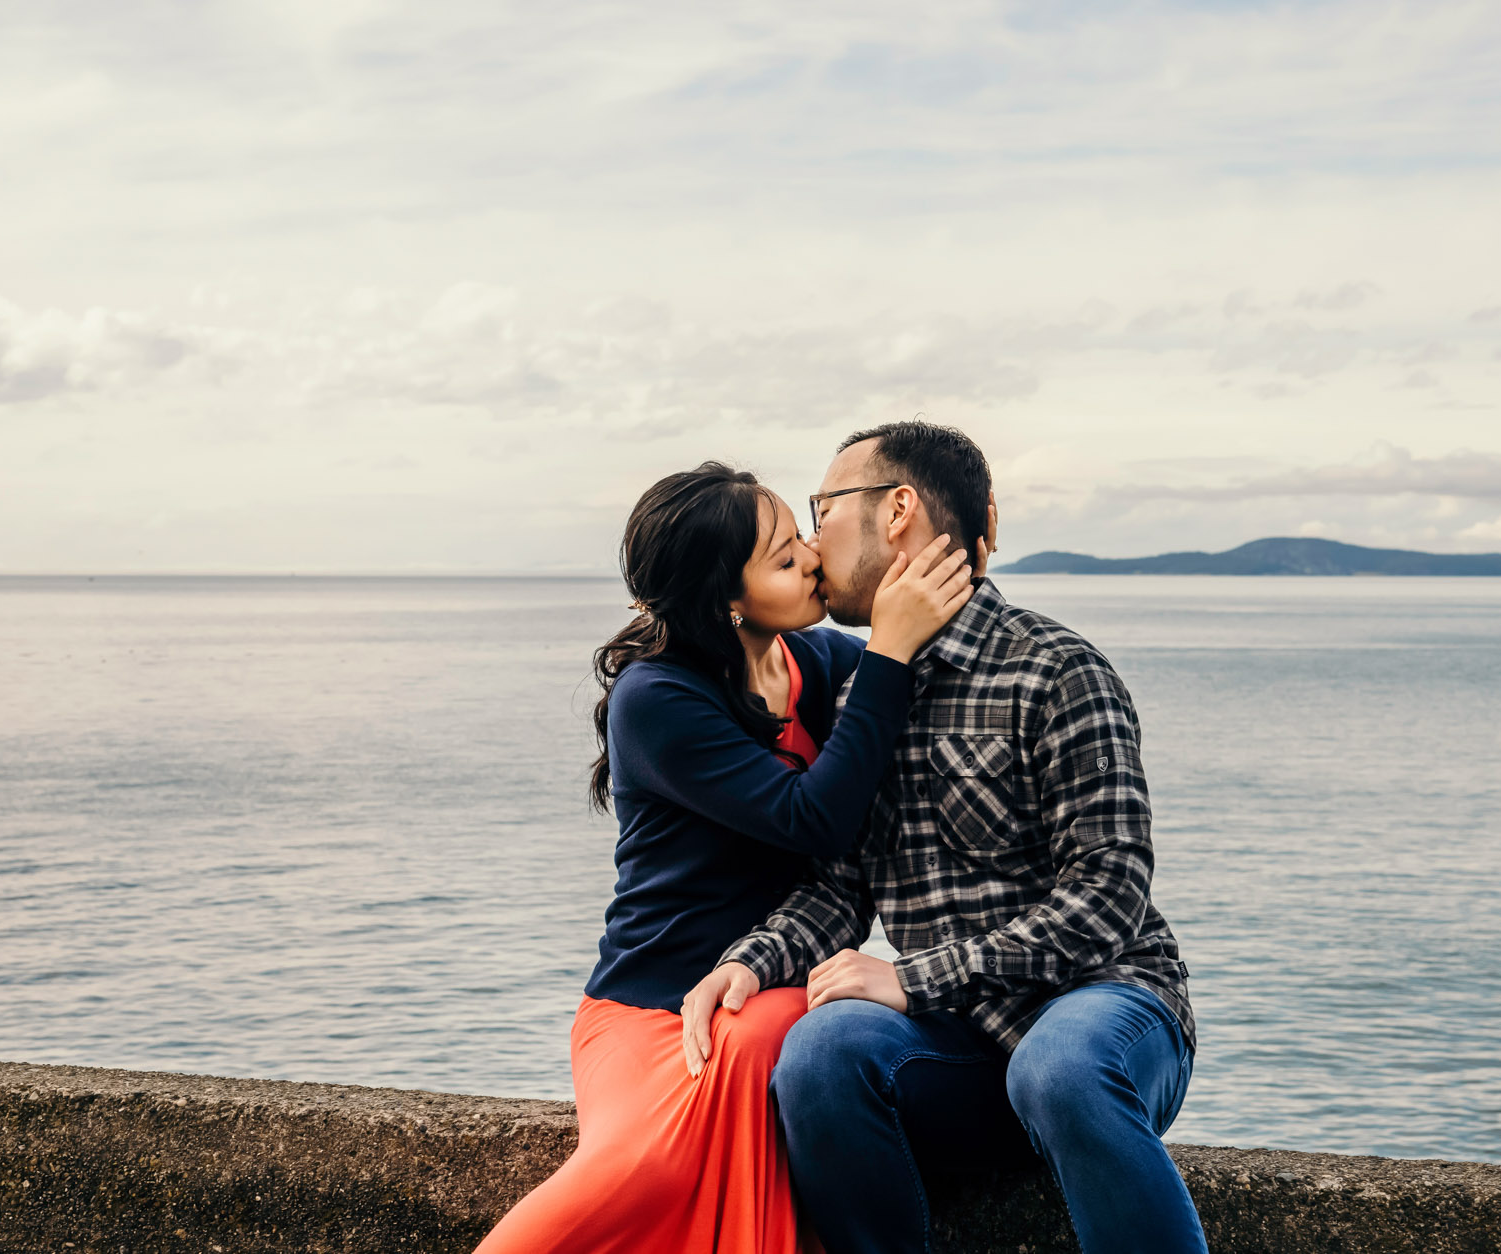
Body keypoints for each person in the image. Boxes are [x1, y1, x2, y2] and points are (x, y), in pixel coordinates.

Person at [682, 422, 1208, 1254]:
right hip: (959, 1048)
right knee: (819, 1050)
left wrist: (914, 978)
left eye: (823, 509)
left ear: (897, 511)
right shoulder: (865, 693)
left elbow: (1108, 897)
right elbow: (840, 888)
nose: (814, 542)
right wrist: (747, 961)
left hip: (1106, 1012)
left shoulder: (1055, 668)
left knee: (1058, 1067)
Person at [474, 461, 976, 1254]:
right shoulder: (657, 698)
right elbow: (815, 819)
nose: (813, 558)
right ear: (724, 600)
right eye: (784, 558)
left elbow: (926, 693)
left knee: (779, 1032)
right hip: (652, 1009)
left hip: (763, 985)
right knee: (644, 1171)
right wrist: (887, 650)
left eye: (801, 537)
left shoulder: (810, 663)